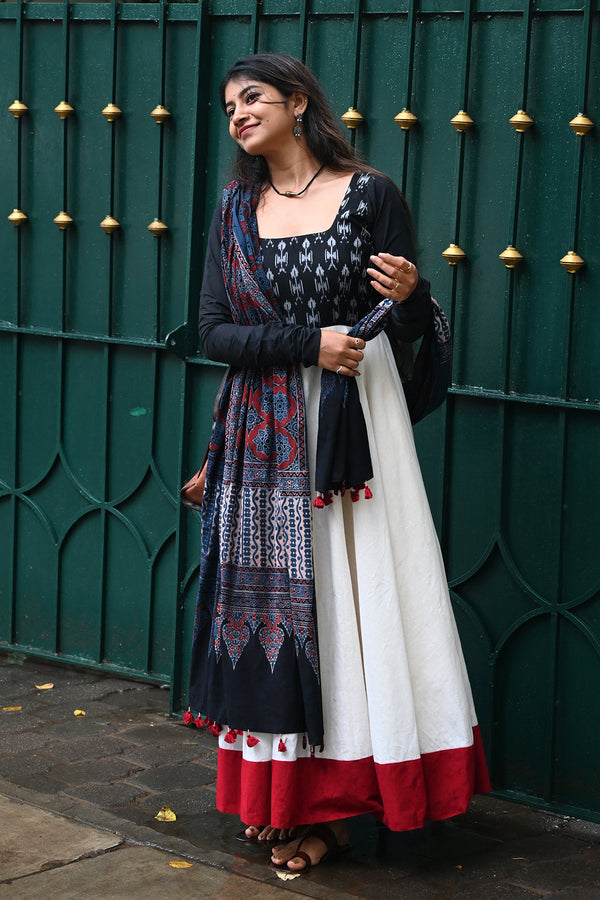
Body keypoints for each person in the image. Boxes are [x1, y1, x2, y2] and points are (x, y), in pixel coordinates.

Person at [187, 52, 490, 875]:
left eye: (253, 98)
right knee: (287, 608)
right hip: (267, 435)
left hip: (356, 426)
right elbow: (213, 330)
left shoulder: (369, 194)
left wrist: (418, 294)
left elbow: (407, 320)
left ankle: (343, 806)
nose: (238, 114)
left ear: (297, 103)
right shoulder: (235, 209)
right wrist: (308, 344)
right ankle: (285, 798)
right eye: (228, 105)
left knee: (361, 600)